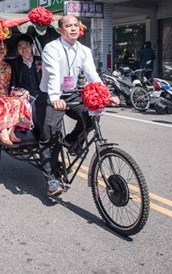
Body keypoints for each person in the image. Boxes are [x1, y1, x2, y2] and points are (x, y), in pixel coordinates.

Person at [35, 15, 118, 197]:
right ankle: (51, 179)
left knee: (91, 116)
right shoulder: (52, 48)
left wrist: (106, 95)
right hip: (50, 95)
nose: (73, 29)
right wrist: (55, 97)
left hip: (72, 93)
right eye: (68, 26)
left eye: (75, 25)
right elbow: (53, 74)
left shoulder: (84, 50)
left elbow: (92, 75)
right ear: (60, 30)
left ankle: (72, 140)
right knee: (50, 135)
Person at [0, 41, 33, 145]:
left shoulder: (8, 66)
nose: (2, 50)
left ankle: (11, 130)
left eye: (4, 48)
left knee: (19, 101)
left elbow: (12, 83)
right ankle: (2, 131)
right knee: (4, 103)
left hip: (7, 95)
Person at [10, 34, 42, 99]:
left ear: (31, 46)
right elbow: (13, 83)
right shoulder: (14, 63)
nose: (23, 49)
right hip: (23, 97)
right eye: (20, 47)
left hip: (40, 94)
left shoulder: (40, 60)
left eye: (26, 46)